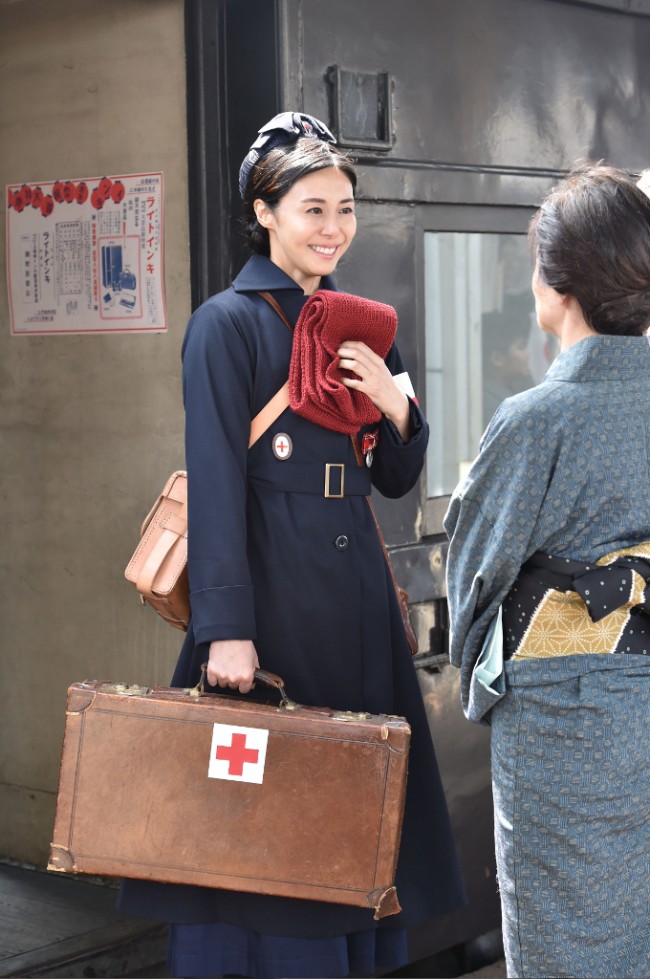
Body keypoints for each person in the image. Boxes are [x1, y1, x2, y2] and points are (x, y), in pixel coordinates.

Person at [118, 111, 466, 979]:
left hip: (352, 601)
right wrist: (225, 627)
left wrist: (397, 406)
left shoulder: (360, 323)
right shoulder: (225, 325)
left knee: (349, 806)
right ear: (264, 212)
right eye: (313, 208)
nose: (335, 228)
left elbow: (394, 478)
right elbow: (217, 482)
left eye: (345, 208)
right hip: (268, 604)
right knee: (261, 805)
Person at [444, 162, 650, 979]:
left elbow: (477, 575)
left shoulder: (536, 420)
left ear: (559, 289)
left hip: (561, 714)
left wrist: (479, 667)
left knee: (562, 924)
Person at [481, 309, 533, 425]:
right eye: (521, 347)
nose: (527, 354)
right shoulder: (492, 405)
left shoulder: (513, 388)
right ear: (497, 359)